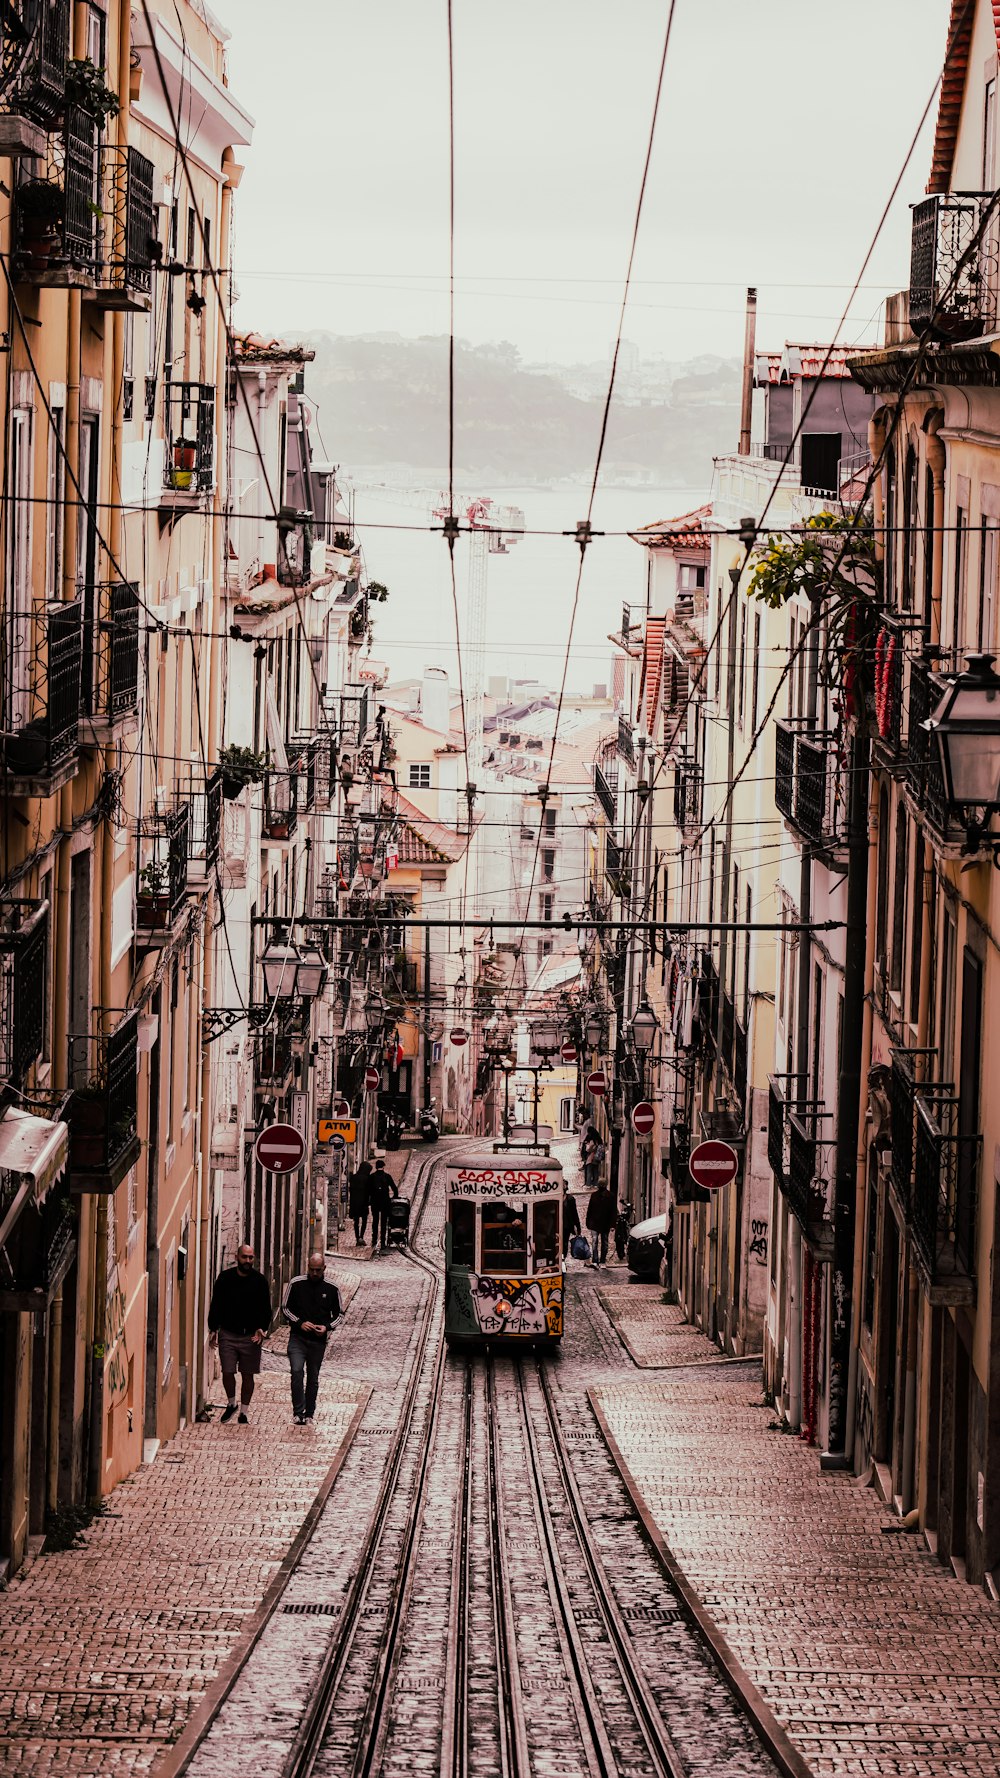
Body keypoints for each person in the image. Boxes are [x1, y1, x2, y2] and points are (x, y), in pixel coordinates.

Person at [208, 1244, 272, 1424]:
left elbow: (265, 1307)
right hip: (228, 1333)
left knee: (247, 1374)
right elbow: (217, 1304)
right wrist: (213, 1328)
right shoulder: (225, 1278)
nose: (248, 1261)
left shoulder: (259, 1281)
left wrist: (262, 1328)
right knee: (227, 1371)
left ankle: (244, 1411)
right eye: (244, 1257)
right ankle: (231, 1403)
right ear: (237, 1257)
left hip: (250, 1336)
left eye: (251, 1257)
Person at [282, 1252, 344, 1425]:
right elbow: (285, 1308)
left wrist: (327, 1327)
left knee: (313, 1377)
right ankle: (298, 1412)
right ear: (307, 1267)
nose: (314, 1273)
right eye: (312, 1269)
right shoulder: (296, 1284)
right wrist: (300, 1323)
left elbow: (340, 1314)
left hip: (318, 1341)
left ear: (324, 1268)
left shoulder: (332, 1288)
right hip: (297, 1338)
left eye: (318, 1270)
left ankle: (309, 1414)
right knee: (296, 1371)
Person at [369, 1157, 399, 1251]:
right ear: (383, 1167)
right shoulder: (387, 1176)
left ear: (376, 1167)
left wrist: (369, 1200)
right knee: (383, 1222)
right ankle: (383, 1242)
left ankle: (374, 1240)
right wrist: (394, 1198)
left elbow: (368, 1191)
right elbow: (395, 1188)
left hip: (375, 1202)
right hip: (385, 1202)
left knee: (375, 1221)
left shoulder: (372, 1176)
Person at [586, 1182, 616, 1268]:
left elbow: (613, 1211)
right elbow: (590, 1209)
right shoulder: (594, 1195)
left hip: (605, 1223)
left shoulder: (610, 1196)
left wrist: (612, 1224)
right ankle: (595, 1260)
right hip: (595, 1223)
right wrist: (588, 1222)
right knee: (595, 1241)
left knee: (604, 1242)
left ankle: (602, 1260)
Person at [348, 1158, 373, 1246]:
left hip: (354, 1202)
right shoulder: (368, 1179)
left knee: (356, 1221)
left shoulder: (354, 1177)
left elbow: (350, 1190)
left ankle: (357, 1237)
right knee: (364, 1220)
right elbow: (370, 1191)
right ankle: (361, 1236)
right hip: (364, 1203)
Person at [581, 1123, 605, 1190]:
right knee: (595, 1171)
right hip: (597, 1157)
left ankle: (588, 1184)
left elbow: (590, 1148)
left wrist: (587, 1149)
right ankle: (595, 1184)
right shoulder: (598, 1138)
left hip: (591, 1157)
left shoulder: (592, 1139)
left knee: (589, 1170)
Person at [563, 1192, 581, 1260]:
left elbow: (574, 1213)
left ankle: (563, 1259)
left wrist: (578, 1226)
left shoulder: (570, 1199)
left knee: (565, 1243)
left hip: (566, 1226)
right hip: (555, 1226)